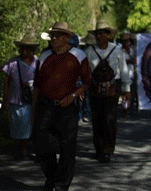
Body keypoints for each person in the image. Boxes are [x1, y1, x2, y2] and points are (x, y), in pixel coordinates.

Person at [32, 22, 90, 191]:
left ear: (67, 38)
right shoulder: (44, 56)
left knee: (68, 146)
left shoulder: (78, 55)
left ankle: (61, 184)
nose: (54, 39)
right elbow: (37, 84)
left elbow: (87, 81)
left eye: (58, 36)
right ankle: (52, 175)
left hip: (68, 107)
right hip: (46, 105)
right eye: (53, 36)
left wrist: (73, 95)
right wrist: (33, 111)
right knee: (40, 141)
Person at [85, 21, 131, 163]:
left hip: (112, 89)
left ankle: (108, 149)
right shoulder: (89, 51)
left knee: (110, 119)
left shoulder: (117, 50)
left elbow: (123, 70)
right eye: (98, 34)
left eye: (103, 33)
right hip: (95, 89)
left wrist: (127, 89)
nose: (100, 36)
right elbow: (85, 72)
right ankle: (99, 149)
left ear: (108, 36)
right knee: (97, 120)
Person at [2, 34, 39, 159]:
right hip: (15, 99)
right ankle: (18, 147)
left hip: (30, 100)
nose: (24, 51)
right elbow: (6, 81)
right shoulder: (12, 63)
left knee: (27, 125)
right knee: (16, 125)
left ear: (32, 50)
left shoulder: (37, 63)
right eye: (22, 48)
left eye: (27, 49)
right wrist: (5, 99)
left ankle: (24, 149)